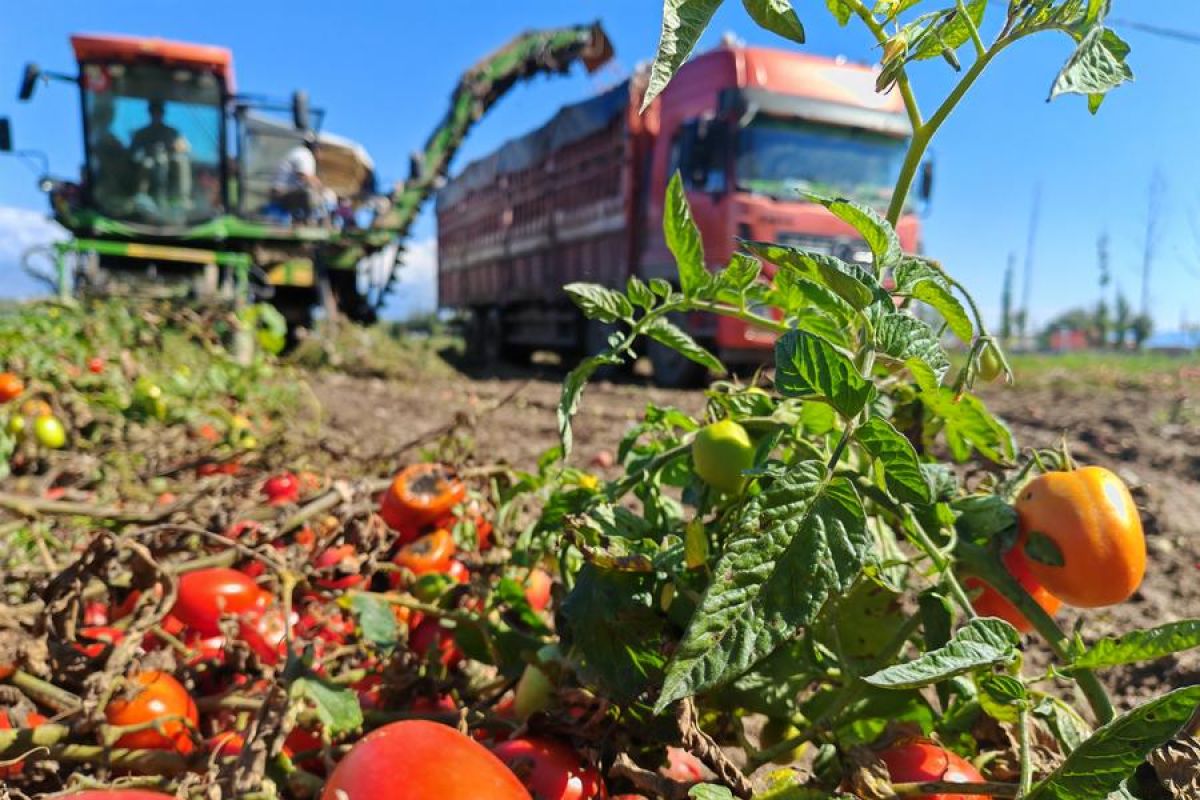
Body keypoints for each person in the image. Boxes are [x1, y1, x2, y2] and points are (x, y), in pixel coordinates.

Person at [271, 140, 328, 223]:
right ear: (316, 149)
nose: (321, 155)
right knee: (311, 194)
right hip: (281, 193)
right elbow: (304, 177)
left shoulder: (299, 152)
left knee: (313, 194)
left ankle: (303, 220)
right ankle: (310, 222)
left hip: (279, 192)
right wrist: (322, 189)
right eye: (320, 150)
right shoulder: (305, 154)